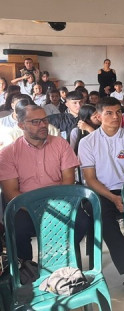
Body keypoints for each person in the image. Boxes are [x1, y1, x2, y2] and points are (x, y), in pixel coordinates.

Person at [0, 104, 88, 263]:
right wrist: (38, 210)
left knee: (82, 222)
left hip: (59, 202)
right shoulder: (8, 153)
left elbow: (68, 182)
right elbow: (10, 192)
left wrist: (55, 208)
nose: (43, 125)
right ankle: (26, 271)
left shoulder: (60, 144)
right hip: (25, 206)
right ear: (21, 125)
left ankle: (61, 260)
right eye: (35, 122)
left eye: (45, 120)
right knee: (17, 230)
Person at [78, 97, 124, 290]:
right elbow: (90, 179)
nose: (115, 116)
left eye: (118, 112)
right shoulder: (88, 142)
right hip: (100, 190)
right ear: (98, 116)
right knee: (102, 217)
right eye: (109, 113)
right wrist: (113, 198)